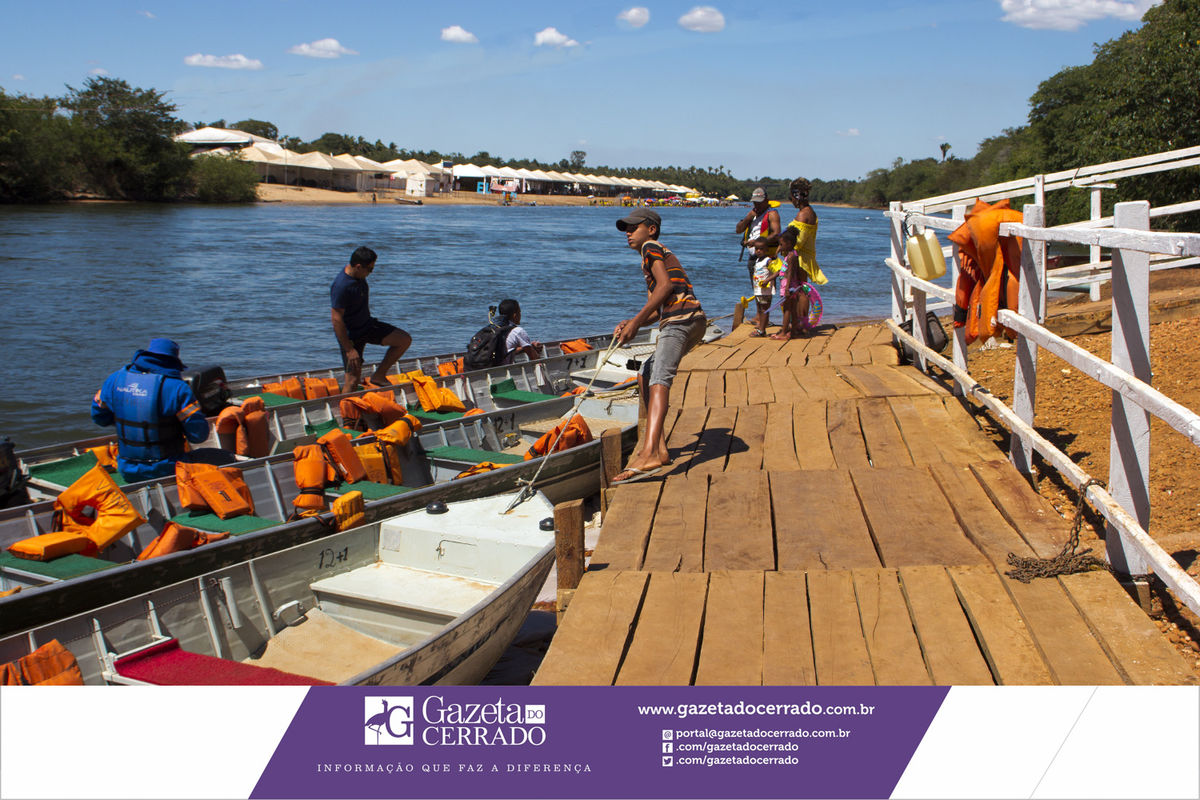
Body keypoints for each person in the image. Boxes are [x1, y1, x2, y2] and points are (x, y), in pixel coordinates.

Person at [612, 208, 707, 484]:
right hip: (692, 320)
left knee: (659, 379)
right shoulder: (654, 255)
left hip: (681, 320)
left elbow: (665, 288)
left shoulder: (650, 248)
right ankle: (661, 448)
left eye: (633, 227)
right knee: (647, 371)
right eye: (625, 229)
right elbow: (660, 305)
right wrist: (633, 322)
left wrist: (636, 322)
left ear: (651, 229)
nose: (628, 233)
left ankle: (650, 451)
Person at [91, 338, 211, 482]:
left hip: (127, 469)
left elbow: (99, 418)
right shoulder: (178, 388)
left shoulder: (114, 380)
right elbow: (198, 435)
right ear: (174, 361)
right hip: (168, 469)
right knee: (219, 458)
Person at [331, 245, 412, 393]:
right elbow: (336, 320)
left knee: (404, 340)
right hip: (351, 337)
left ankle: (379, 376)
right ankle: (348, 415)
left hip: (367, 326)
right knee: (353, 380)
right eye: (369, 269)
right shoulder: (342, 286)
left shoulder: (359, 276)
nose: (371, 272)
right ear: (358, 266)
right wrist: (349, 349)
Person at [735, 186, 780, 283]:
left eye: (759, 202)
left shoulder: (772, 214)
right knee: (756, 290)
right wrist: (748, 217)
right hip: (753, 258)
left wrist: (757, 243)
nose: (757, 205)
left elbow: (776, 234)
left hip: (766, 258)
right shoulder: (752, 214)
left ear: (766, 200)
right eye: (755, 202)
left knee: (765, 291)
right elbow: (738, 230)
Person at [749, 239, 781, 338]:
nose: (758, 251)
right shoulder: (758, 260)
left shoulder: (768, 260)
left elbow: (778, 271)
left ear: (766, 250)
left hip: (766, 290)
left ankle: (762, 330)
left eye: (761, 249)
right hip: (758, 290)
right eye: (757, 249)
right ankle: (761, 328)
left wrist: (768, 280)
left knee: (764, 310)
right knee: (760, 309)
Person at [497, 299, 544, 364]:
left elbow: (508, 350)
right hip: (504, 369)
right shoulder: (518, 331)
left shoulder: (496, 329)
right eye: (519, 312)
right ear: (515, 315)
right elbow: (535, 358)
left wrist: (530, 347)